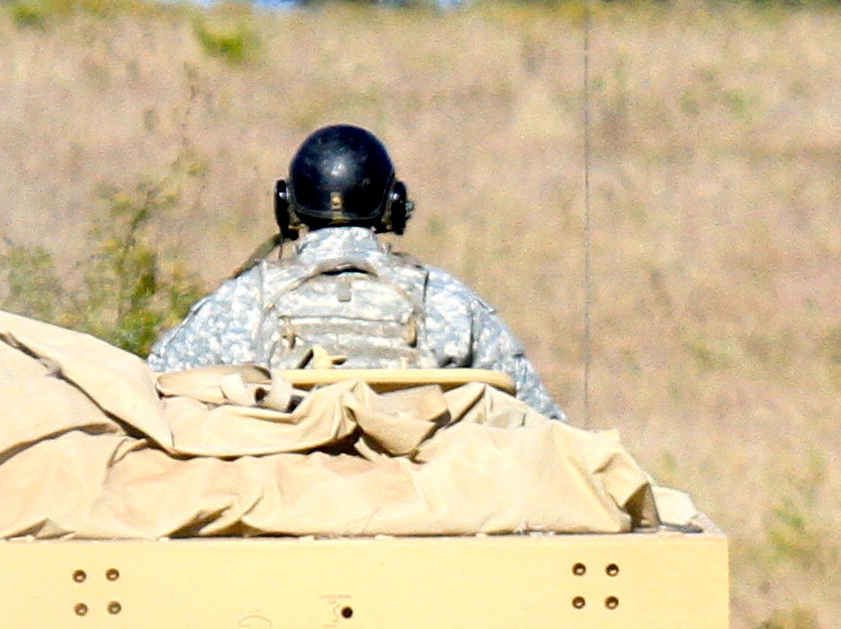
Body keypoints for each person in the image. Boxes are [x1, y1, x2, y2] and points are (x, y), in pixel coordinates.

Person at [146, 122, 566, 418]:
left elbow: (155, 393)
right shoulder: (447, 301)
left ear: (285, 204)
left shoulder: (240, 301)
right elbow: (539, 419)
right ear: (394, 205)